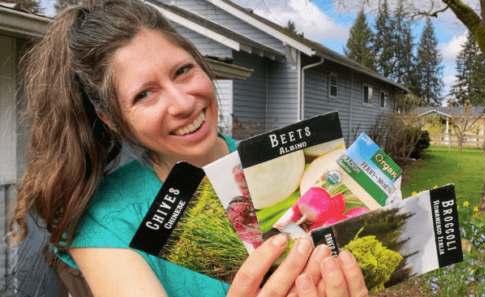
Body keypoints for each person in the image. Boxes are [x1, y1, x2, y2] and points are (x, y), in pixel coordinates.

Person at [9, 0, 369, 296]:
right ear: (111, 119)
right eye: (144, 94)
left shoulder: (280, 164)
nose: (182, 102)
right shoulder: (107, 223)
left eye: (182, 71)